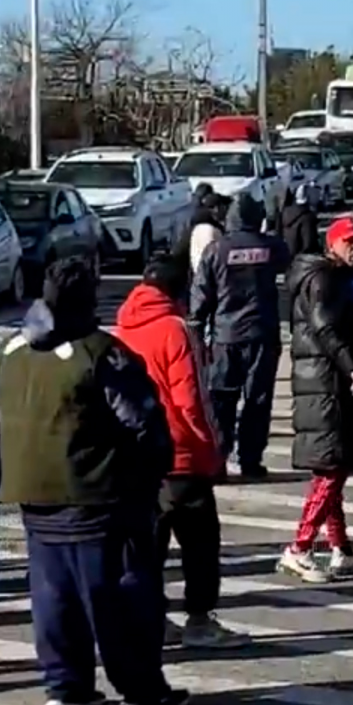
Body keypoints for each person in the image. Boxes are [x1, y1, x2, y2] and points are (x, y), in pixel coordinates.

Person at [0, 258, 187, 705]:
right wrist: (149, 479)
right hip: (101, 496)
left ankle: (66, 685)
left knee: (53, 596)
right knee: (123, 596)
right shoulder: (101, 353)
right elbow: (142, 424)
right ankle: (140, 687)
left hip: (32, 493)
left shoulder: (9, 351)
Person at [116, 255, 247, 650]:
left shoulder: (122, 327)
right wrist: (212, 448)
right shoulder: (175, 329)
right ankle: (199, 618)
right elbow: (193, 399)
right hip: (181, 453)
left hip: (136, 454)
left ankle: (151, 616)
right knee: (200, 543)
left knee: (149, 545)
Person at [280, 216, 353, 582]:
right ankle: (300, 547)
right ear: (332, 244)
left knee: (335, 466)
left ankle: (341, 548)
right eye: (350, 241)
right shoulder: (323, 280)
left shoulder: (341, 280)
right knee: (331, 470)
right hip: (325, 386)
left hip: (331, 385)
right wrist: (352, 365)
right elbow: (325, 327)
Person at [190, 193, 291, 480]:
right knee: (257, 400)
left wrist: (196, 331)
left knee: (222, 400)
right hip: (263, 334)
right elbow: (288, 258)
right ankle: (251, 460)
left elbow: (201, 296)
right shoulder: (271, 247)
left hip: (226, 337)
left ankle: (218, 461)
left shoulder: (216, 250)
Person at [279, 183, 321, 257]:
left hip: (287, 257)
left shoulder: (285, 212)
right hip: (302, 260)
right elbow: (309, 244)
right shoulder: (307, 217)